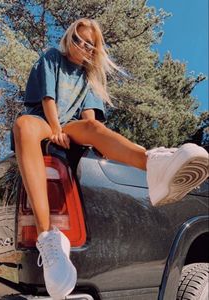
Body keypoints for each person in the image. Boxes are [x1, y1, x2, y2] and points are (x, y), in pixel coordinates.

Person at [12, 18, 209, 300]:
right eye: (78, 39)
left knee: (95, 128)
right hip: (45, 121)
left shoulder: (89, 77)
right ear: (70, 37)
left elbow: (90, 120)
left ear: (94, 51)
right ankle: (48, 238)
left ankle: (154, 164)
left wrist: (96, 139)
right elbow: (48, 99)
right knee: (23, 126)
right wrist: (54, 130)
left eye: (88, 45)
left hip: (69, 127)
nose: (81, 46)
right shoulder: (53, 58)